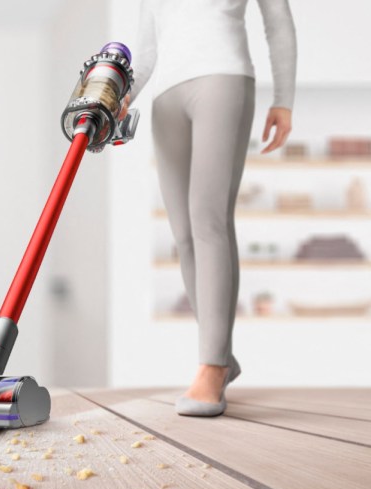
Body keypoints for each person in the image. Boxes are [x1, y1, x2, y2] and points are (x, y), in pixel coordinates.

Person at [128, 0, 297, 416]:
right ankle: (221, 355)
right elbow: (146, 52)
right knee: (183, 234)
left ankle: (212, 366)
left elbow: (277, 22)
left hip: (223, 79)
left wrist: (284, 99)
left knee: (209, 222)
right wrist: (117, 96)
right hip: (166, 97)